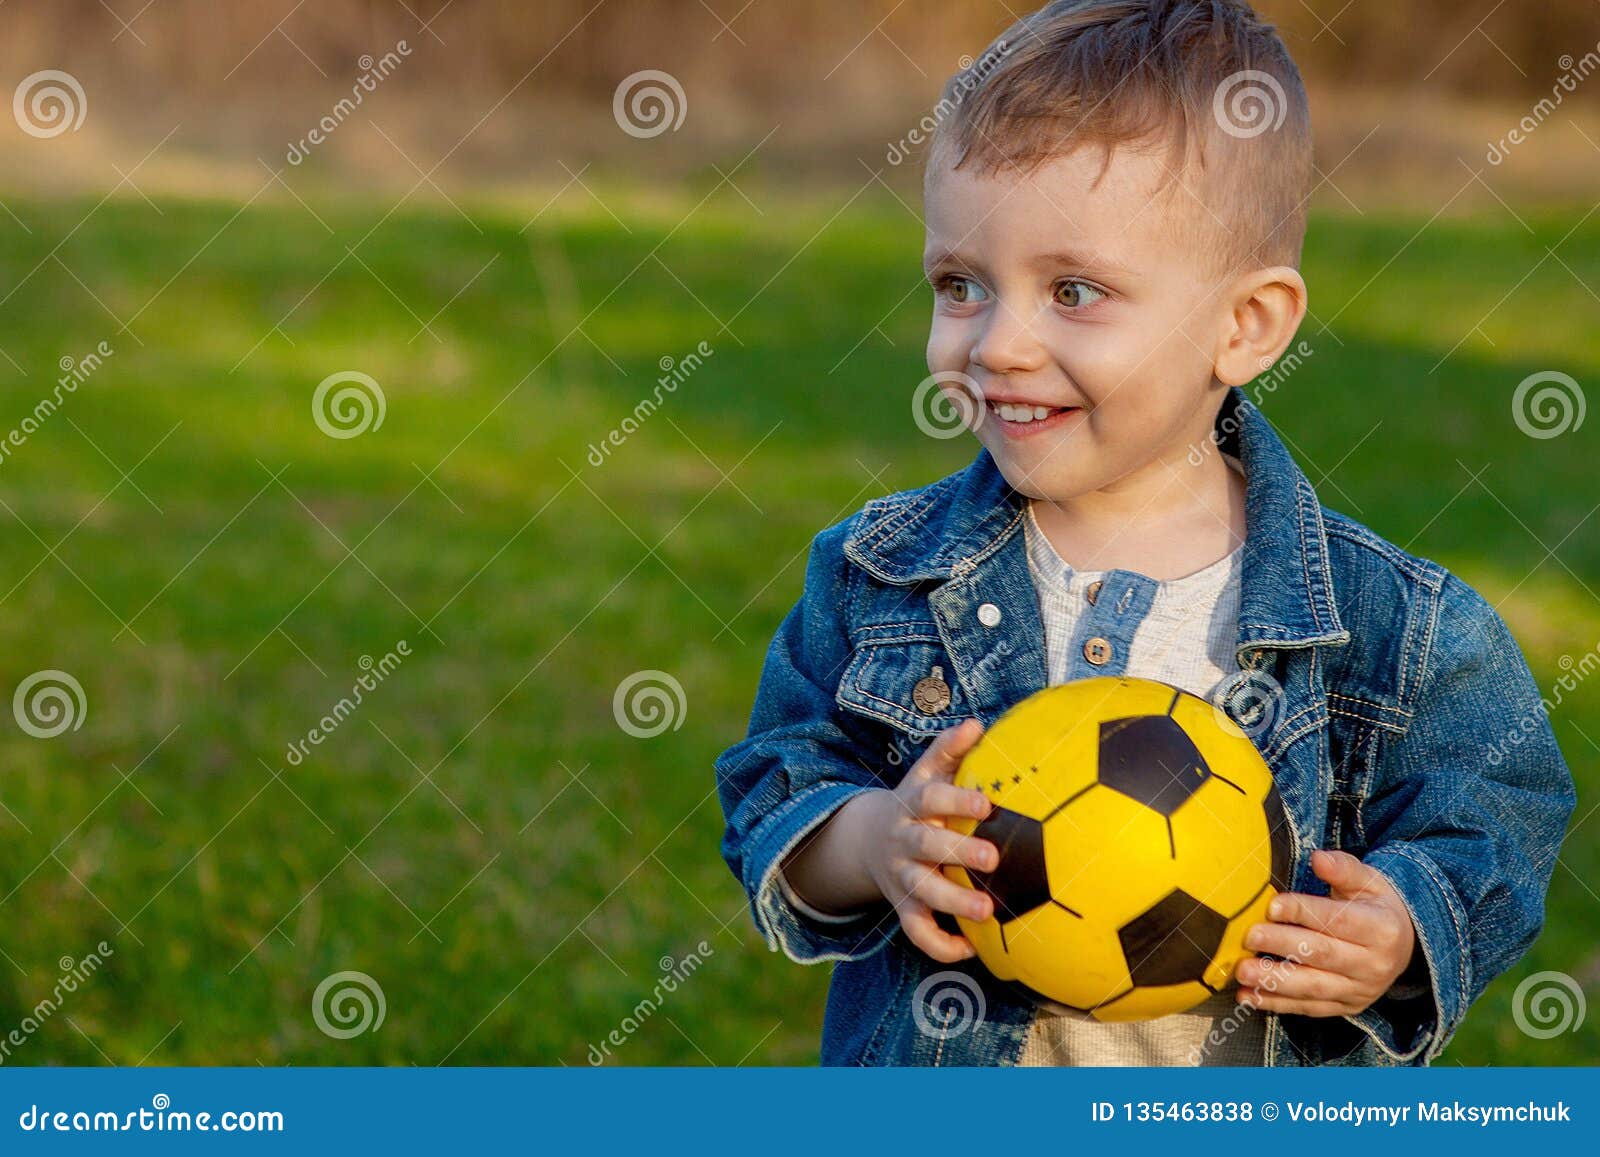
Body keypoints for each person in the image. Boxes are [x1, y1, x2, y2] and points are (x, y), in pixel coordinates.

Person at [713, 0, 1574, 1066]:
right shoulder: (879, 573)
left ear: (1243, 326)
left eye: (1074, 291)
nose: (1000, 345)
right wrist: (874, 838)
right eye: (960, 285)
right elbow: (775, 786)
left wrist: (1400, 929)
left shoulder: (1387, 624)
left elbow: (1498, 812)